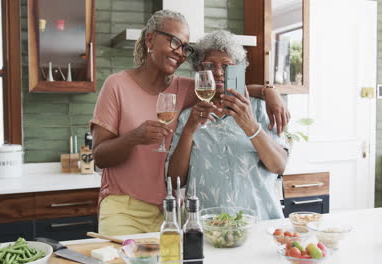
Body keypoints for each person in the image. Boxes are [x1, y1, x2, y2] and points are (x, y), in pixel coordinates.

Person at [90, 10, 289, 236]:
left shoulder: (190, 90)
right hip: (126, 208)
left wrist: (268, 90)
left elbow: (221, 87)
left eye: (185, 46)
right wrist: (135, 137)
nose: (179, 51)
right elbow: (99, 156)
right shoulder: (117, 85)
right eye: (174, 41)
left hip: (171, 211)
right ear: (150, 39)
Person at [167, 30, 290, 220]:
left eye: (226, 66)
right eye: (209, 65)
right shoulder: (186, 117)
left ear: (238, 70)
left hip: (260, 222)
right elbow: (175, 181)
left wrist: (250, 125)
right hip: (207, 227)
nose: (217, 72)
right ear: (199, 71)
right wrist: (189, 130)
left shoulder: (260, 109)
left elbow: (279, 166)